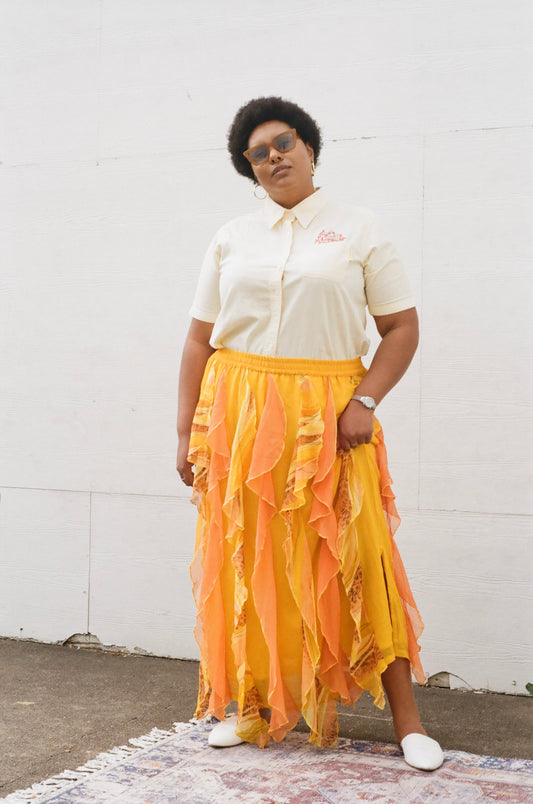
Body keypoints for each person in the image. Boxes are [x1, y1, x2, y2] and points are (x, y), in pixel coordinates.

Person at [176, 96, 443, 771]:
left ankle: (407, 723)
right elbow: (198, 340)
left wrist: (366, 399)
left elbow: (401, 327)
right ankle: (255, 707)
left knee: (361, 557)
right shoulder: (233, 236)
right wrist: (186, 433)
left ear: (310, 146)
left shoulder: (358, 229)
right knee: (253, 556)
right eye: (257, 154)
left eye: (283, 142)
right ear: (249, 169)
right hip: (239, 416)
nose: (273, 158)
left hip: (330, 417)